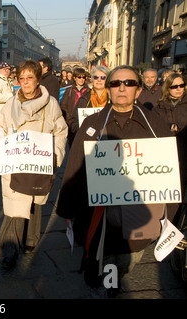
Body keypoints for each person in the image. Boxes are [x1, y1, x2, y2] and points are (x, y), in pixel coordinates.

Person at [56, 65, 177, 297]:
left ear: (139, 90)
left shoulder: (155, 125)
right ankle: (106, 285)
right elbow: (75, 168)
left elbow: (170, 172)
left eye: (129, 83)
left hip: (140, 212)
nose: (122, 88)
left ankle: (114, 279)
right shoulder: (92, 124)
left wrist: (169, 212)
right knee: (101, 256)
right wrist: (67, 209)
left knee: (128, 258)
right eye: (115, 83)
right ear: (109, 89)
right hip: (99, 213)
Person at [0, 60, 68, 269]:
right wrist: (1, 153)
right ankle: (9, 251)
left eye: (30, 78)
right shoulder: (11, 103)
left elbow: (60, 131)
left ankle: (30, 240)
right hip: (15, 162)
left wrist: (55, 154)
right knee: (15, 205)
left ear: (37, 80)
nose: (25, 82)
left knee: (35, 202)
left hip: (39, 161)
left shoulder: (50, 103)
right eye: (22, 78)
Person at [154, 72, 187, 219]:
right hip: (165, 157)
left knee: (181, 195)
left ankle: (177, 227)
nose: (179, 89)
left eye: (182, 85)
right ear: (168, 88)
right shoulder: (159, 108)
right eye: (175, 86)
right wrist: (169, 128)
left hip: (184, 155)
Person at [67, 65, 110, 138]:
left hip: (109, 141)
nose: (99, 80)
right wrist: (82, 128)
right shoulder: (84, 99)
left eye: (103, 78)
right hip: (88, 140)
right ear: (92, 79)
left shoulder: (113, 99)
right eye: (96, 77)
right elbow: (72, 122)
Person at [60, 67, 89, 146]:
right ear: (75, 78)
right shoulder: (69, 90)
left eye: (83, 77)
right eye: (79, 77)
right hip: (72, 123)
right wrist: (69, 119)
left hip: (85, 122)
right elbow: (63, 105)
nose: (81, 79)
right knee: (73, 145)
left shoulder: (89, 91)